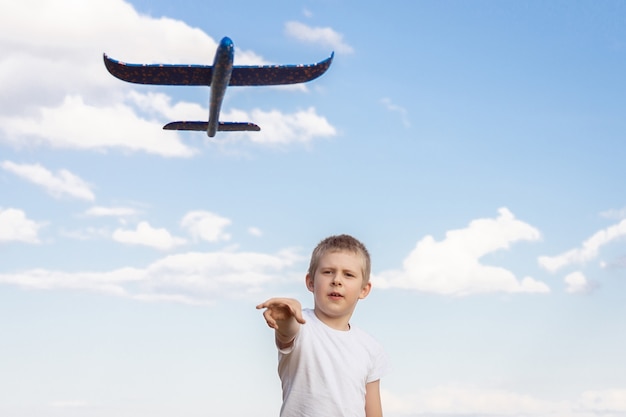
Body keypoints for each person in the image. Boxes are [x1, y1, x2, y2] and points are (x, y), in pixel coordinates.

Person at [257, 234, 390, 417]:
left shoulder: (371, 348)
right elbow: (288, 332)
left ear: (364, 289)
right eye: (328, 272)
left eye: (348, 274)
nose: (337, 280)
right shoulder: (301, 324)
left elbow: (373, 412)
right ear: (311, 282)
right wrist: (285, 318)